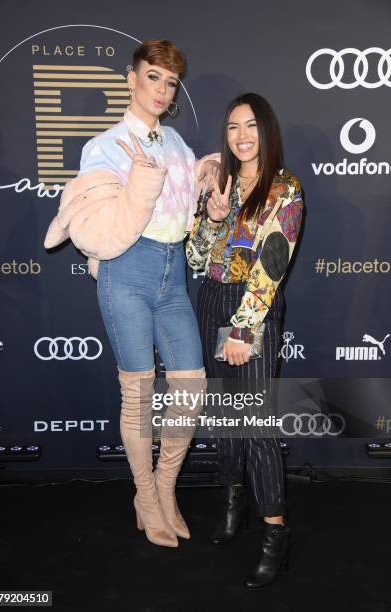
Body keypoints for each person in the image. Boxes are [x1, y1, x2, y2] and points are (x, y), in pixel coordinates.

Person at [44, 39, 219, 548]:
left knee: (191, 385)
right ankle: (144, 495)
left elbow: (187, 213)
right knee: (139, 394)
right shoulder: (105, 146)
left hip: (172, 276)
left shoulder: (176, 144)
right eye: (153, 77)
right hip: (128, 271)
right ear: (131, 78)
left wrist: (204, 177)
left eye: (170, 82)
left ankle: (166, 490)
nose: (162, 90)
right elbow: (97, 227)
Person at [186, 92, 303, 587]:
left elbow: (273, 262)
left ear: (266, 130)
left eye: (250, 125)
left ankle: (275, 530)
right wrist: (211, 218)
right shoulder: (220, 183)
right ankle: (233, 501)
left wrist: (244, 328)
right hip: (211, 299)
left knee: (256, 426)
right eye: (233, 127)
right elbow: (196, 258)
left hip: (249, 312)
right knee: (227, 421)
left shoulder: (285, 189)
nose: (242, 136)